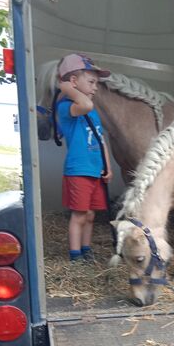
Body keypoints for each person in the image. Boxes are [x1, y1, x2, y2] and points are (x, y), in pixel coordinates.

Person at [55, 53, 113, 262]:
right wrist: (65, 88)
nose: (95, 87)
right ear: (72, 82)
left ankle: (86, 249)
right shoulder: (67, 108)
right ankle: (75, 254)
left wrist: (107, 167)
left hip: (95, 170)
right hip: (78, 170)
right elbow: (85, 105)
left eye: (96, 83)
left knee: (90, 215)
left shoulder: (92, 112)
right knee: (79, 215)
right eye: (91, 82)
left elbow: (100, 139)